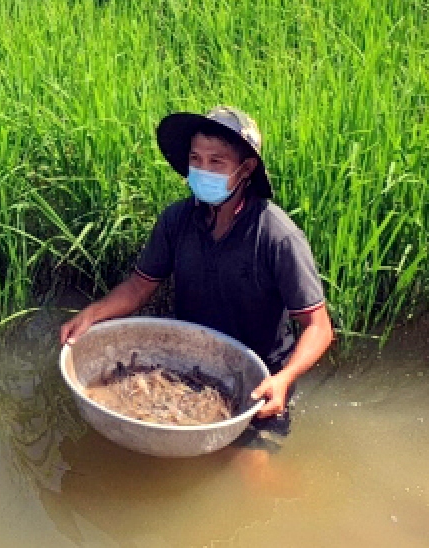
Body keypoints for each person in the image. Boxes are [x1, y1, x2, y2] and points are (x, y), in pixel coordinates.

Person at [58, 106, 333, 438]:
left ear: (246, 169)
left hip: (259, 381)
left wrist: (283, 379)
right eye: (196, 159)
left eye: (217, 162)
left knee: (253, 476)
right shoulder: (178, 220)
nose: (203, 170)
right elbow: (138, 287)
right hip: (188, 366)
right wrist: (94, 313)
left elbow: (318, 326)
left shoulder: (276, 236)